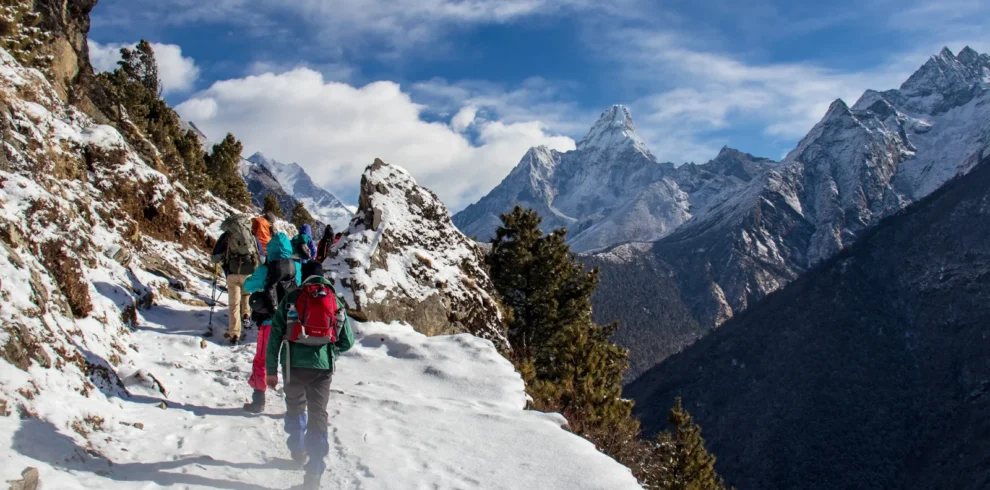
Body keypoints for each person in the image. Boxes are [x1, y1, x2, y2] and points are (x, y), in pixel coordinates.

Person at [266, 261, 354, 489]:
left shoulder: (292, 298)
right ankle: (313, 474)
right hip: (322, 368)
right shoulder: (334, 300)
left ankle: (297, 451)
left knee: (295, 407)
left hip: (292, 365)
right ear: (322, 276)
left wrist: (270, 371)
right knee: (318, 416)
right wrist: (330, 350)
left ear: (303, 277)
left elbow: (275, 334)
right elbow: (347, 341)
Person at [241, 233, 302, 413]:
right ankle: (296, 405)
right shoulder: (296, 267)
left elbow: (247, 287)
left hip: (269, 322)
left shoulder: (265, 269)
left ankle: (258, 400)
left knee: (262, 359)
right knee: (292, 361)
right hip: (292, 322)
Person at [211, 214, 262, 345]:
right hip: (249, 272)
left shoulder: (227, 236)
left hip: (232, 273)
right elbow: (260, 254)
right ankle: (246, 315)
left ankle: (234, 332)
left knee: (234, 303)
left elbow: (215, 257)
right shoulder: (250, 235)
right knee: (246, 294)